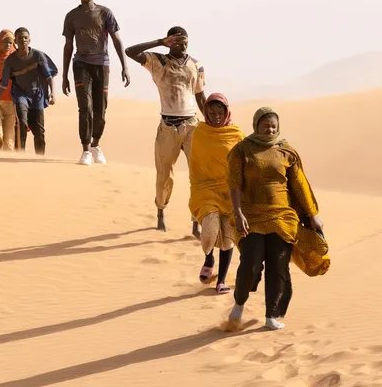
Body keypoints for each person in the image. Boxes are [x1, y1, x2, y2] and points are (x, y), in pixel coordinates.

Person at [226, 107, 324, 331]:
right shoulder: (242, 150)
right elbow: (233, 183)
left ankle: (272, 315)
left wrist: (311, 215)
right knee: (250, 263)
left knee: (278, 266)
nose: (269, 129)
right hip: (251, 215)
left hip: (282, 216)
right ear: (256, 125)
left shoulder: (286, 151)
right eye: (265, 125)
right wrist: (237, 212)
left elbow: (299, 185)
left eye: (273, 126)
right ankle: (239, 303)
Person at [125, 27, 206, 232]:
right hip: (168, 126)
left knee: (197, 174)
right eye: (177, 41)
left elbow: (200, 96)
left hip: (191, 125)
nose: (183, 45)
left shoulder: (196, 65)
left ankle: (196, 222)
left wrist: (213, 124)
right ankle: (161, 212)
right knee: (164, 175)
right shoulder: (157, 61)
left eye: (185, 41)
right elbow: (130, 52)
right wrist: (160, 42)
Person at [62, 0, 130, 166]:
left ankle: (96, 145)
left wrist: (125, 66)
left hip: (102, 64)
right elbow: (68, 46)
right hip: (81, 64)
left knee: (101, 109)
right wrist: (64, 75)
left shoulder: (105, 13)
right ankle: (85, 150)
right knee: (85, 106)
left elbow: (117, 40)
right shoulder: (71, 16)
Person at [188, 93, 245, 294]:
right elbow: (195, 164)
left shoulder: (236, 134)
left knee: (228, 238)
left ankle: (221, 281)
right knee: (210, 232)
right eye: (211, 112)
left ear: (226, 111)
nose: (216, 116)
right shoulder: (200, 132)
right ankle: (209, 257)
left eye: (220, 112)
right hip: (205, 190)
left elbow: (245, 161)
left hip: (230, 192)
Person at [0, 27, 58, 155]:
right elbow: (3, 85)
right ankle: (21, 154)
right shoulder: (10, 61)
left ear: (29, 39)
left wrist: (52, 93)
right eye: (20, 38)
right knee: (22, 123)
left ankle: (40, 157)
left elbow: (48, 76)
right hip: (21, 95)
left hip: (37, 96)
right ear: (16, 41)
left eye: (25, 37)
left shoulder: (38, 55)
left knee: (39, 130)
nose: (23, 40)